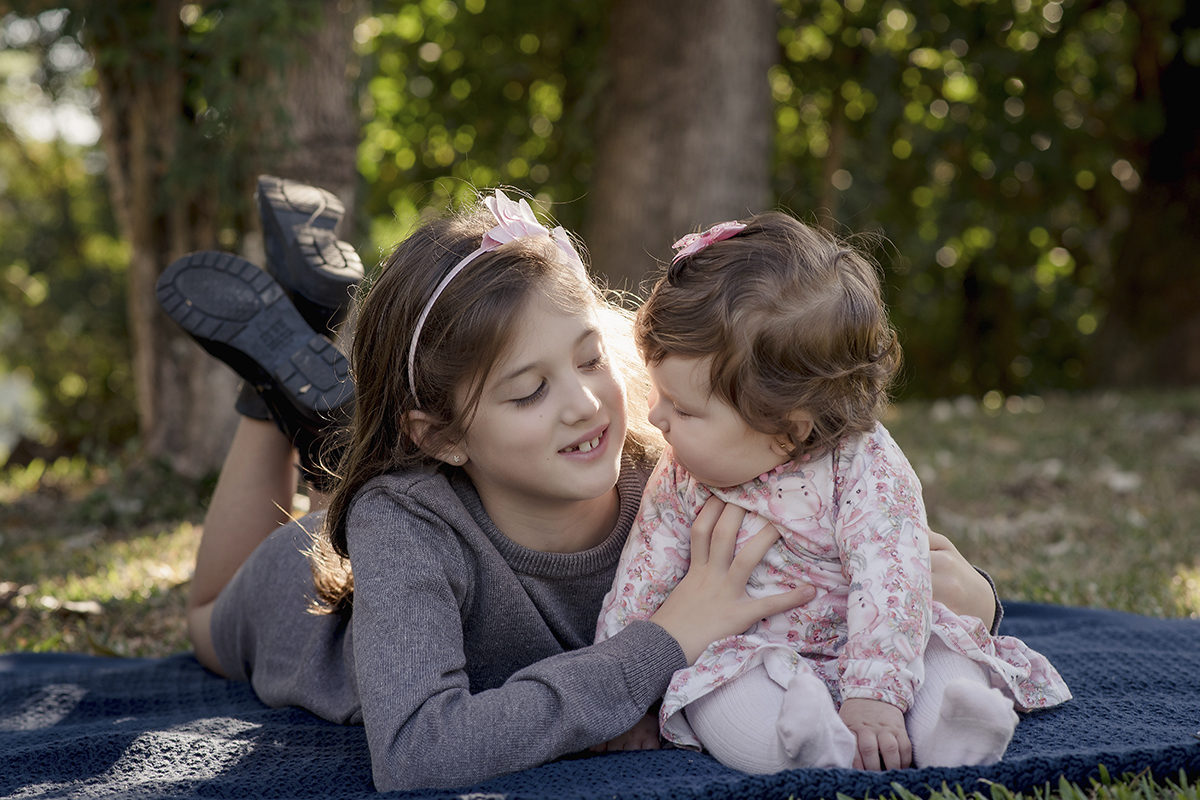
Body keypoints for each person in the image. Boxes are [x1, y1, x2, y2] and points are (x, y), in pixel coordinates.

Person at [159, 183, 1004, 791]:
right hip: (310, 611)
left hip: (439, 459)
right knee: (207, 619)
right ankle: (274, 402)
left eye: (592, 358)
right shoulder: (402, 526)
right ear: (446, 433)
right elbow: (417, 753)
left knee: (386, 463)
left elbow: (860, 556)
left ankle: (321, 398)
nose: (586, 405)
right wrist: (662, 643)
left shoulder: (681, 467)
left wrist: (970, 595)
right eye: (529, 392)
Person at [594, 213, 1072, 774]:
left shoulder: (863, 464)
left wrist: (876, 692)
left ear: (789, 429)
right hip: (747, 651)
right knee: (719, 697)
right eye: (660, 396)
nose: (656, 417)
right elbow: (642, 580)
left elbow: (890, 575)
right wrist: (624, 697)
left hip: (873, 644)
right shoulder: (680, 474)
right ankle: (802, 748)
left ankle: (954, 737)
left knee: (939, 649)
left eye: (683, 409)